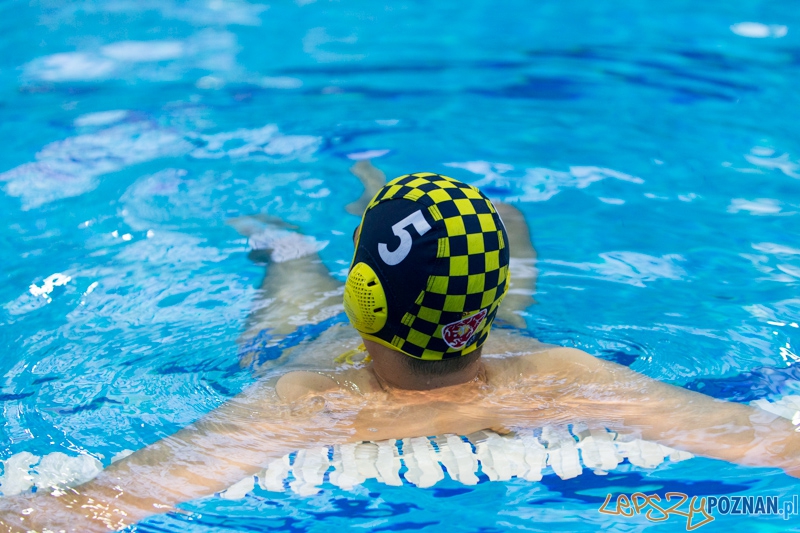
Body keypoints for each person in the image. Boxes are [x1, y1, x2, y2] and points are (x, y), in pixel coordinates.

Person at [1, 164, 798, 533]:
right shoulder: (561, 379)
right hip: (504, 351)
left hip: (310, 348)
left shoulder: (305, 399)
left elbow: (98, 506)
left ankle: (283, 241)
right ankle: (447, 224)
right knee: (502, 251)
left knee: (287, 275)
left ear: (365, 298)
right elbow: (769, 441)